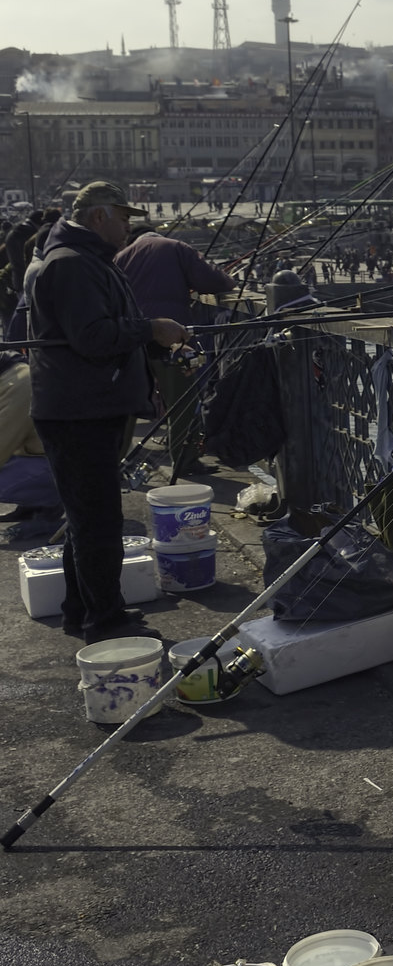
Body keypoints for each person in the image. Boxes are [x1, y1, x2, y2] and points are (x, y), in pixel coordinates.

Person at [28, 182, 189, 642]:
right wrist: (150, 329)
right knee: (98, 522)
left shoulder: (83, 260)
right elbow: (93, 337)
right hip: (79, 413)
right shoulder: (73, 265)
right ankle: (107, 621)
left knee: (86, 518)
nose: (128, 227)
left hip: (85, 407)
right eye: (122, 218)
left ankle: (80, 610)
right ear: (99, 218)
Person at [115, 226, 237, 476]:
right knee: (183, 399)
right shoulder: (176, 247)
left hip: (132, 337)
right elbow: (214, 281)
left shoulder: (121, 256)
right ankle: (185, 459)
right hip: (171, 338)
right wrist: (228, 280)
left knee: (128, 400)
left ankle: (114, 460)